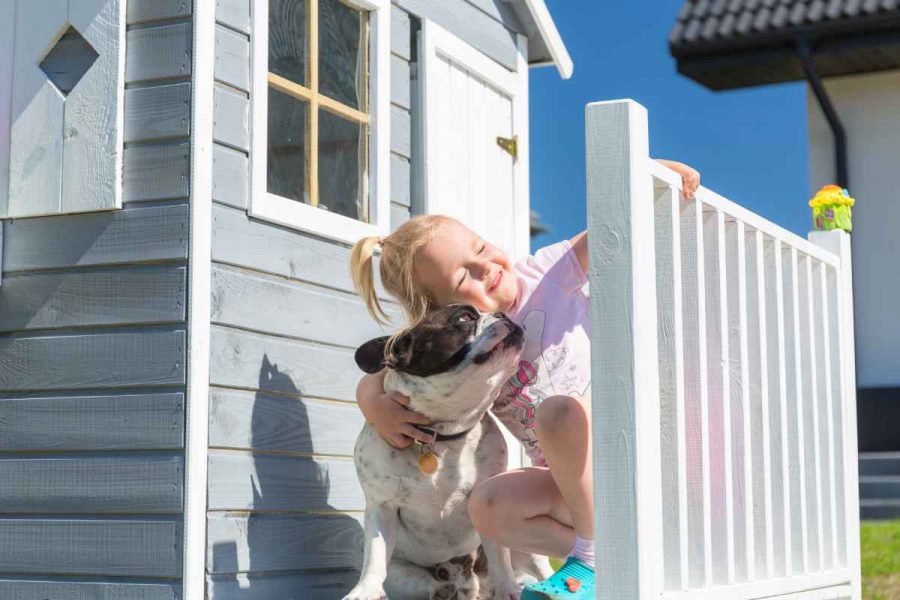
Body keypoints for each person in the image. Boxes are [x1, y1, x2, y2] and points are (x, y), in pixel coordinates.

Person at [349, 160, 699, 599]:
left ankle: (588, 562)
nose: (486, 268)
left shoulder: (545, 274)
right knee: (488, 509)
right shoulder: (468, 347)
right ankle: (616, 561)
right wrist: (374, 406)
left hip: (630, 451)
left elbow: (610, 227)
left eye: (480, 249)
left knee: (556, 412)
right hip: (572, 489)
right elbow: (380, 377)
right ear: (440, 311)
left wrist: (643, 173)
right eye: (465, 276)